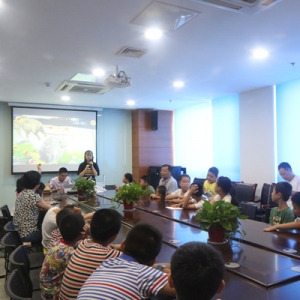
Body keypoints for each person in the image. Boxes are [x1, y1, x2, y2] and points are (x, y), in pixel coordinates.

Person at [78, 223, 176, 299]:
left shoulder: (106, 263)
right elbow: (183, 287)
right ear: (152, 261)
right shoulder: (143, 274)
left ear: (123, 244)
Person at [60, 209, 123, 299]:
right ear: (114, 237)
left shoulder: (82, 244)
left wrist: (112, 247)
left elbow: (98, 250)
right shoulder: (111, 256)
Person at [40, 213, 86, 300]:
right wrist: (88, 235)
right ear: (81, 233)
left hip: (46, 291)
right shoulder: (71, 254)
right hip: (55, 296)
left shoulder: (56, 242)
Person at [13, 170, 51, 243]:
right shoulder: (33, 196)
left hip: (19, 233)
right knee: (53, 232)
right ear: (38, 184)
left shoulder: (22, 193)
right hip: (29, 234)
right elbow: (50, 209)